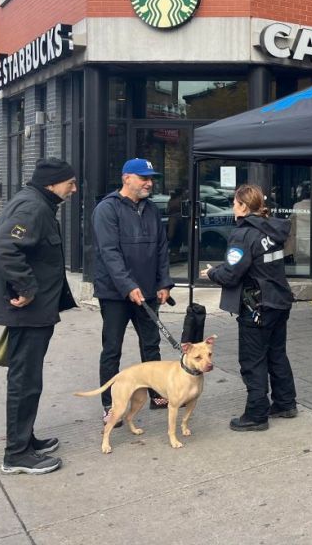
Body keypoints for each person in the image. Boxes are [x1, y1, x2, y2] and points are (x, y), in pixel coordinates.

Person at [0, 158, 78, 475]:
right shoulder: (32, 208)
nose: (74, 189)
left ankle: (25, 439)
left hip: (34, 312)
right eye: (70, 183)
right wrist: (27, 287)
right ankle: (16, 454)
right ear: (52, 183)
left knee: (27, 379)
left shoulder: (35, 204)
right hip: (28, 311)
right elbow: (3, 244)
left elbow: (1, 237)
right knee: (25, 380)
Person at [201, 184, 298, 431]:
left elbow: (232, 274)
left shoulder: (243, 234)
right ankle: (285, 403)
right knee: (276, 353)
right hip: (279, 302)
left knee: (252, 360)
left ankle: (256, 414)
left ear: (243, 206)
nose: (232, 207)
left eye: (234, 203)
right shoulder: (272, 229)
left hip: (257, 306)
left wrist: (212, 273)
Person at [92, 158, 174, 424]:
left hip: (148, 291)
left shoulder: (151, 209)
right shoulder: (107, 209)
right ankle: (109, 405)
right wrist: (128, 286)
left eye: (151, 178)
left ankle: (157, 394)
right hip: (114, 294)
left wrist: (164, 282)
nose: (149, 183)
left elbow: (162, 248)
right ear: (127, 178)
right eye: (143, 178)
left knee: (151, 344)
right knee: (112, 348)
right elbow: (110, 253)